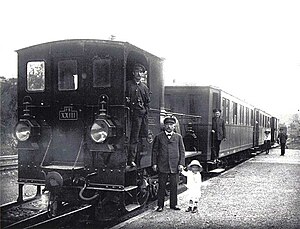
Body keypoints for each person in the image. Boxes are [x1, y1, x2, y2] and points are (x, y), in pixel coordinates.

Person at [152, 116, 185, 212]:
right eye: (167, 125)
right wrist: (154, 163)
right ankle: (160, 205)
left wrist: (181, 164)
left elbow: (182, 151)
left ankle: (173, 205)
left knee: (174, 186)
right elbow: (154, 151)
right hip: (163, 165)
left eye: (171, 125)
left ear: (174, 126)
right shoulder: (159, 137)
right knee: (161, 186)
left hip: (175, 165)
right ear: (164, 126)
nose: (169, 127)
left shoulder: (178, 137)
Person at [126, 63, 150, 167]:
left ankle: (131, 159)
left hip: (139, 116)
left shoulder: (144, 87)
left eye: (141, 72)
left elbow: (147, 102)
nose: (139, 74)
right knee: (126, 136)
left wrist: (144, 112)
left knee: (135, 138)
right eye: (137, 72)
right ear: (133, 73)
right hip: (127, 115)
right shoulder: (127, 85)